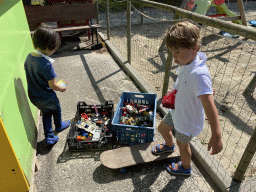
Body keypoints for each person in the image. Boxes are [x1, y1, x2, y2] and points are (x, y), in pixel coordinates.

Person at [152, 21, 223, 175]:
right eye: (172, 52)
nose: (174, 57)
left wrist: (216, 134)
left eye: (177, 52)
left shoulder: (199, 74)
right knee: (162, 128)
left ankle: (185, 167)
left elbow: (210, 106)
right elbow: (193, 86)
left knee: (183, 145)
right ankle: (169, 146)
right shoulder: (187, 62)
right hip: (177, 112)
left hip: (187, 121)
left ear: (194, 48)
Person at [24, 26, 70, 145]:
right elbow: (53, 85)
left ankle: (49, 136)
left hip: (34, 96)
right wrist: (62, 88)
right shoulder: (46, 65)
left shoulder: (29, 57)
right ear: (48, 47)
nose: (54, 52)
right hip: (47, 96)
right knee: (56, 109)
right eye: (54, 49)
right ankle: (59, 126)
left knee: (47, 113)